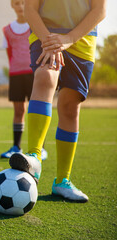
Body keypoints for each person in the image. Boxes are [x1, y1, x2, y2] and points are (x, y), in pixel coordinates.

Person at [9, 0, 106, 202]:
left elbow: (100, 9)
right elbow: (30, 9)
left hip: (82, 39)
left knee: (70, 107)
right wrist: (50, 40)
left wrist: (69, 38)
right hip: (44, 34)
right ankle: (34, 156)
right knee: (45, 76)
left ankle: (62, 181)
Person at [0, 0, 47, 160]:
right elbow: (9, 53)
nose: (20, 7)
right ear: (12, 6)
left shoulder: (36, 26)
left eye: (23, 3)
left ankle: (40, 147)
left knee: (37, 109)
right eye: (17, 3)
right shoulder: (7, 30)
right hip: (16, 75)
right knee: (19, 110)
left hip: (34, 73)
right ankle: (16, 146)